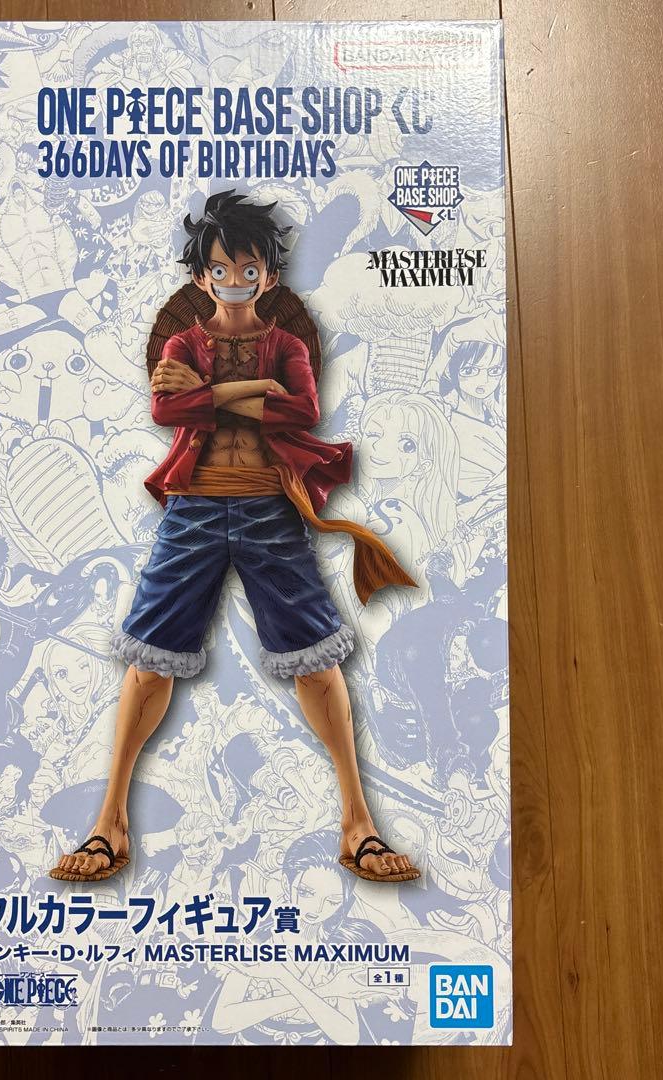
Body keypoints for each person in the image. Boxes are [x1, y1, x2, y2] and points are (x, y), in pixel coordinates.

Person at [50, 191, 420, 884]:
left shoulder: (285, 344)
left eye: (249, 269)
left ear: (269, 276)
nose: (235, 281)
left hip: (270, 509)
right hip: (193, 507)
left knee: (316, 661)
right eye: (221, 270)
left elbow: (303, 410)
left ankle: (358, 823)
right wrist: (245, 394)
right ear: (201, 276)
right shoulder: (183, 344)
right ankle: (110, 822)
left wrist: (214, 393)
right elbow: (169, 409)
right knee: (149, 661)